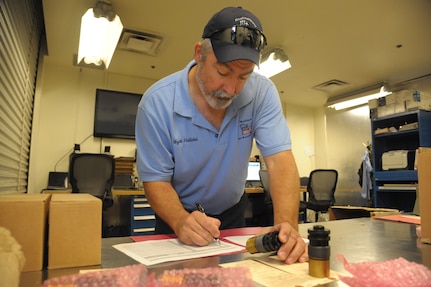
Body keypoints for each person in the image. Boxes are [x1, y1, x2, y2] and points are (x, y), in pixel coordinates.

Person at [136, 6, 307, 264]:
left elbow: (279, 161)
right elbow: (156, 181)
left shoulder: (262, 93)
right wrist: (181, 220)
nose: (231, 89)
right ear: (199, 54)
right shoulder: (156, 104)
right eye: (223, 72)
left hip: (232, 215)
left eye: (243, 77)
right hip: (178, 218)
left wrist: (286, 228)